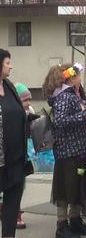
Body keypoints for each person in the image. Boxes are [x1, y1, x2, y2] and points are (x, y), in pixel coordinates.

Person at [43, 63, 86, 238]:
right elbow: (60, 121)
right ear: (71, 78)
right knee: (66, 187)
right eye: (79, 76)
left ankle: (75, 219)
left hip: (78, 150)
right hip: (68, 151)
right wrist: (84, 113)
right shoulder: (65, 97)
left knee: (77, 185)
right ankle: (62, 224)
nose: (81, 79)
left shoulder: (73, 94)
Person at [0, 49, 35, 238]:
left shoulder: (9, 86)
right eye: (7, 63)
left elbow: (17, 112)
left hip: (14, 155)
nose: (10, 66)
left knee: (14, 195)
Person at [14, 83, 39, 229]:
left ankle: (15, 210)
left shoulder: (29, 111)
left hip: (25, 154)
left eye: (29, 100)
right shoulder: (11, 113)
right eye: (25, 100)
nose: (28, 103)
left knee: (20, 185)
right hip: (12, 155)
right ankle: (13, 212)